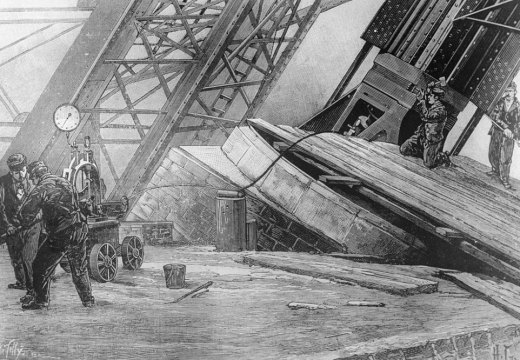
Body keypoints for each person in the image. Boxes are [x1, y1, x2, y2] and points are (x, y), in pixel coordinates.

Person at [18, 160, 94, 310]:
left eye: (32, 178)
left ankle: (41, 301)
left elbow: (25, 214)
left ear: (35, 176)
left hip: (61, 233)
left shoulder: (40, 189)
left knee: (40, 266)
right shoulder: (65, 182)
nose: (32, 181)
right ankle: (88, 300)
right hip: (78, 228)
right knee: (79, 267)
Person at [0, 153, 41, 303]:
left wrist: (38, 215)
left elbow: (43, 202)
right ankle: (21, 282)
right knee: (16, 257)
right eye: (16, 172)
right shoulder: (3, 183)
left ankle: (33, 290)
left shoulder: (35, 180)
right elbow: (1, 207)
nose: (20, 174)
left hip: (32, 226)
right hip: (13, 227)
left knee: (28, 258)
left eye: (22, 170)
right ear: (11, 172)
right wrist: (8, 225)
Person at [400, 82, 451, 169]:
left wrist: (422, 101)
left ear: (436, 97)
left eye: (430, 96)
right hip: (421, 136)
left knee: (429, 164)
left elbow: (427, 116)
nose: (427, 97)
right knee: (403, 149)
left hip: (431, 140)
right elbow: (423, 116)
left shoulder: (441, 110)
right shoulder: (432, 106)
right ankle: (424, 153)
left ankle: (441, 156)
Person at [486, 81, 520, 190]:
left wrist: (516, 135)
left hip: (510, 135)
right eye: (507, 91)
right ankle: (495, 170)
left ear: (515, 92)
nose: (508, 93)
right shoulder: (500, 102)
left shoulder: (518, 106)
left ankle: (504, 178)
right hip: (497, 131)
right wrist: (505, 127)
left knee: (506, 157)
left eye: (511, 91)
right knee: (493, 151)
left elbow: (519, 123)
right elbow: (495, 116)